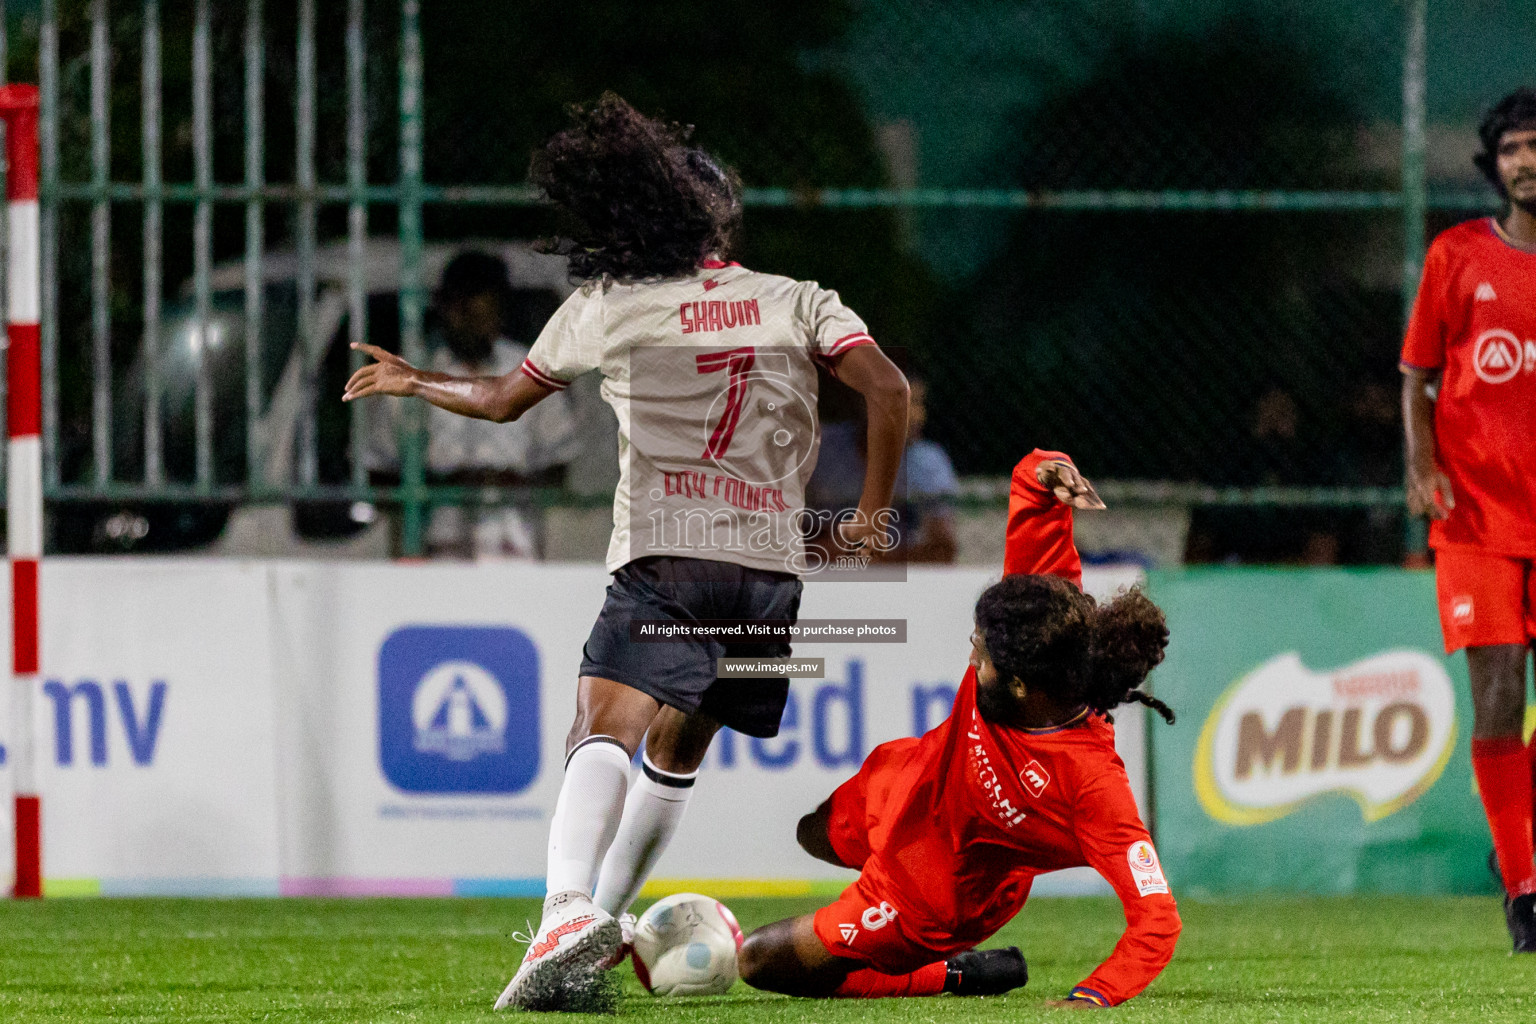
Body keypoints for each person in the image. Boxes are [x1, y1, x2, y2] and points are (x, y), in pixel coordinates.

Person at [343, 92, 910, 1009]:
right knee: (679, 747)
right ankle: (591, 939)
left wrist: (417, 383)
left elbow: (500, 402)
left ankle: (569, 908)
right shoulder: (796, 300)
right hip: (771, 575)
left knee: (601, 724)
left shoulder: (610, 304)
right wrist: (871, 519)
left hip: (667, 555)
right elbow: (887, 392)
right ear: (717, 220)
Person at [736, 449, 1182, 1007]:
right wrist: (1049, 468)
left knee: (758, 960)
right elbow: (1034, 496)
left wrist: (1091, 997)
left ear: (1021, 687)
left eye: (982, 656)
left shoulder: (1091, 783)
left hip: (935, 890)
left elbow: (1156, 921)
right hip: (903, 782)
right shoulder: (1042, 617)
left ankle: (954, 973)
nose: (972, 659)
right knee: (811, 832)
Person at [1399, 87, 1536, 954]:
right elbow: (1414, 376)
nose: (1527, 159)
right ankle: (1525, 888)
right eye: (1514, 148)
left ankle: (1518, 839)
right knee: (1500, 688)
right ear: (1496, 165)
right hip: (1479, 517)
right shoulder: (1457, 256)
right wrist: (1420, 463)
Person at [367, 250, 581, 558]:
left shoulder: (529, 372)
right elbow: (379, 472)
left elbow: (559, 464)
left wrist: (511, 483)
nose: (473, 324)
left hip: (513, 551)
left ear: (499, 312)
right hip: (436, 554)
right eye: (463, 311)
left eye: (484, 313)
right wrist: (438, 485)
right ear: (444, 307)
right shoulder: (413, 376)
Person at [808, 377, 960, 564]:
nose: (918, 415)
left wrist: (870, 557)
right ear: (866, 404)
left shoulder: (928, 461)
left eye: (919, 404)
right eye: (904, 402)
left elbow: (943, 549)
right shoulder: (823, 451)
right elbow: (795, 541)